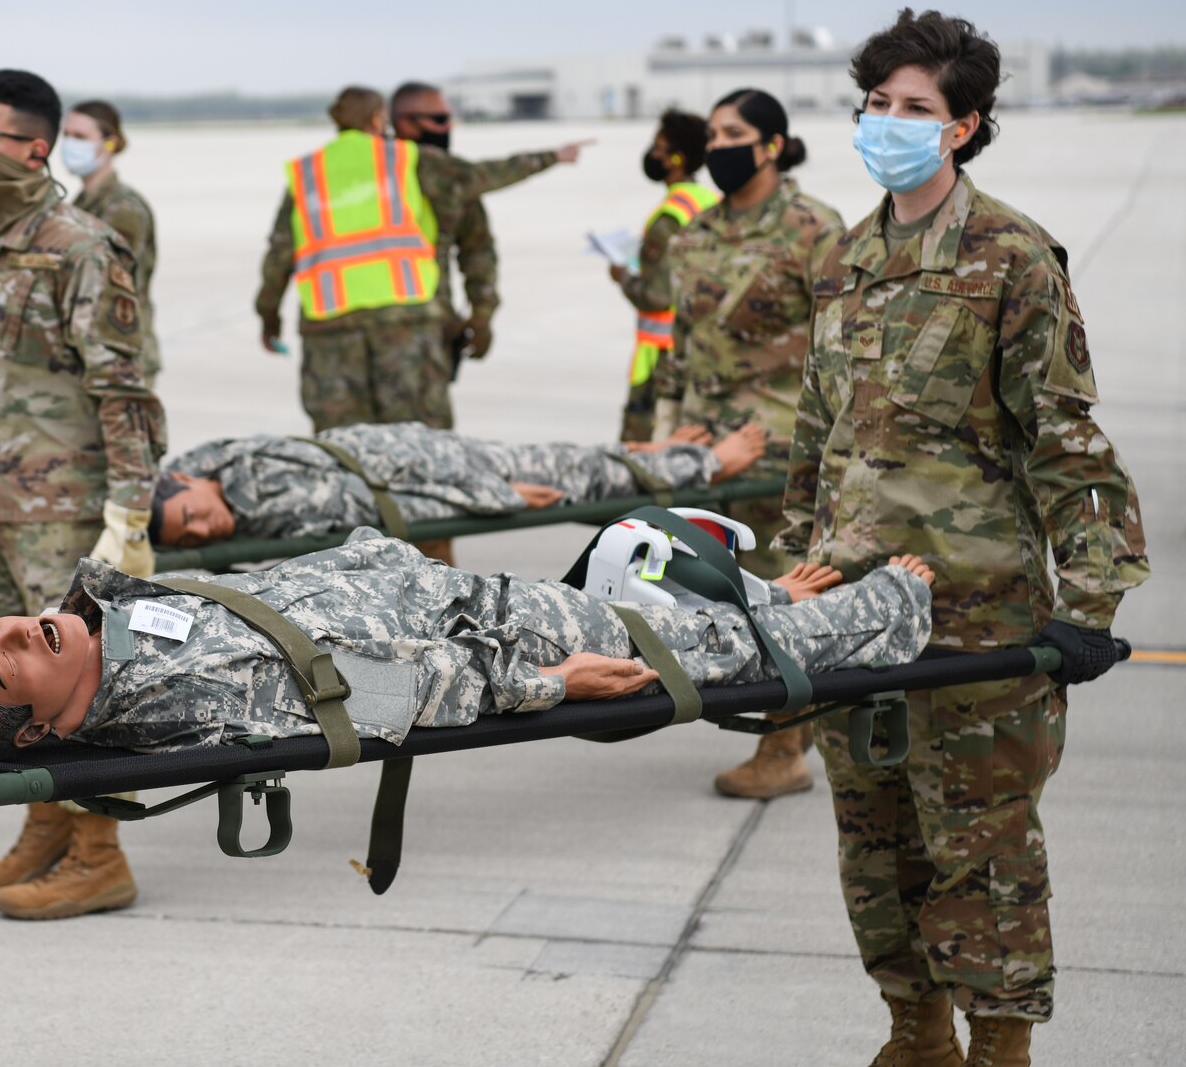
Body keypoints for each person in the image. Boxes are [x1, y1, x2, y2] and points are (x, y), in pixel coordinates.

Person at [775, 10, 1148, 1067]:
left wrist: (1085, 606)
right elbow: (816, 437)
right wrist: (784, 586)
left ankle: (996, 1049)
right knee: (875, 846)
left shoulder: (1010, 257)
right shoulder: (843, 262)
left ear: (962, 126)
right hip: (851, 614)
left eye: (914, 109)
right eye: (875, 104)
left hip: (975, 621)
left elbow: (1065, 440)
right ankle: (913, 1034)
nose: (886, 123)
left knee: (979, 853)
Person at [0, 527, 935, 755]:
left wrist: (374, 551)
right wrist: (546, 685)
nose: (12, 626)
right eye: (4, 657)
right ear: (34, 724)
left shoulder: (122, 622)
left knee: (684, 590)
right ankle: (883, 611)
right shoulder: (186, 695)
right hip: (497, 633)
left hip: (442, 591)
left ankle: (775, 602)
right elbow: (385, 699)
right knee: (711, 651)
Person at [0, 68, 167, 921]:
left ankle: (100, 852)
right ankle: (47, 823)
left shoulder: (83, 246)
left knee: (71, 692)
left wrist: (130, 511)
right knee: (3, 694)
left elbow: (125, 389)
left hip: (67, 508)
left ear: (34, 150)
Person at [656, 85, 843, 800]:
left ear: (770, 144)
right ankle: (786, 722)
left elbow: (843, 345)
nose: (717, 146)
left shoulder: (812, 227)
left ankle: (784, 746)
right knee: (727, 596)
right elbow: (681, 343)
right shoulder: (696, 233)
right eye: (710, 134)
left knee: (783, 597)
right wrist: (666, 432)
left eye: (732, 132)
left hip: (783, 450)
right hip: (711, 454)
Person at [256, 85, 590, 434]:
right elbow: (482, 175)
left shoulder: (308, 174)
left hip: (328, 329)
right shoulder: (407, 161)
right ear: (379, 118)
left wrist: (268, 315)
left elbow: (279, 255)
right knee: (421, 448)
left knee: (342, 450)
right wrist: (552, 157)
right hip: (405, 324)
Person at [153, 419, 768, 548]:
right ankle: (668, 455)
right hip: (433, 457)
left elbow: (387, 487)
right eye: (190, 539)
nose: (204, 530)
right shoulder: (232, 479)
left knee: (575, 476)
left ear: (185, 479)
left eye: (191, 516)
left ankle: (709, 465)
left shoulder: (248, 481)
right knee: (561, 461)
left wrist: (493, 497)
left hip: (436, 463)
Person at [612, 108, 718, 441]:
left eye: (659, 147)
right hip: (700, 348)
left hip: (662, 356)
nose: (653, 154)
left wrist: (622, 276)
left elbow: (655, 295)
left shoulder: (669, 215)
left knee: (645, 446)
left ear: (676, 158)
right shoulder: (709, 201)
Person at [389, 82, 499, 377]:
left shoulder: (453, 180)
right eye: (439, 120)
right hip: (360, 334)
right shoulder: (365, 173)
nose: (448, 127)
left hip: (429, 331)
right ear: (403, 122)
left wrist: (481, 314)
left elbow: (478, 250)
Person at [64, 100, 161, 383]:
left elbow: (106, 281)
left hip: (122, 358)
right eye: (66, 135)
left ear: (109, 144)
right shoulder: (81, 205)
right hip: (94, 354)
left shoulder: (124, 209)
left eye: (80, 137)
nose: (70, 144)